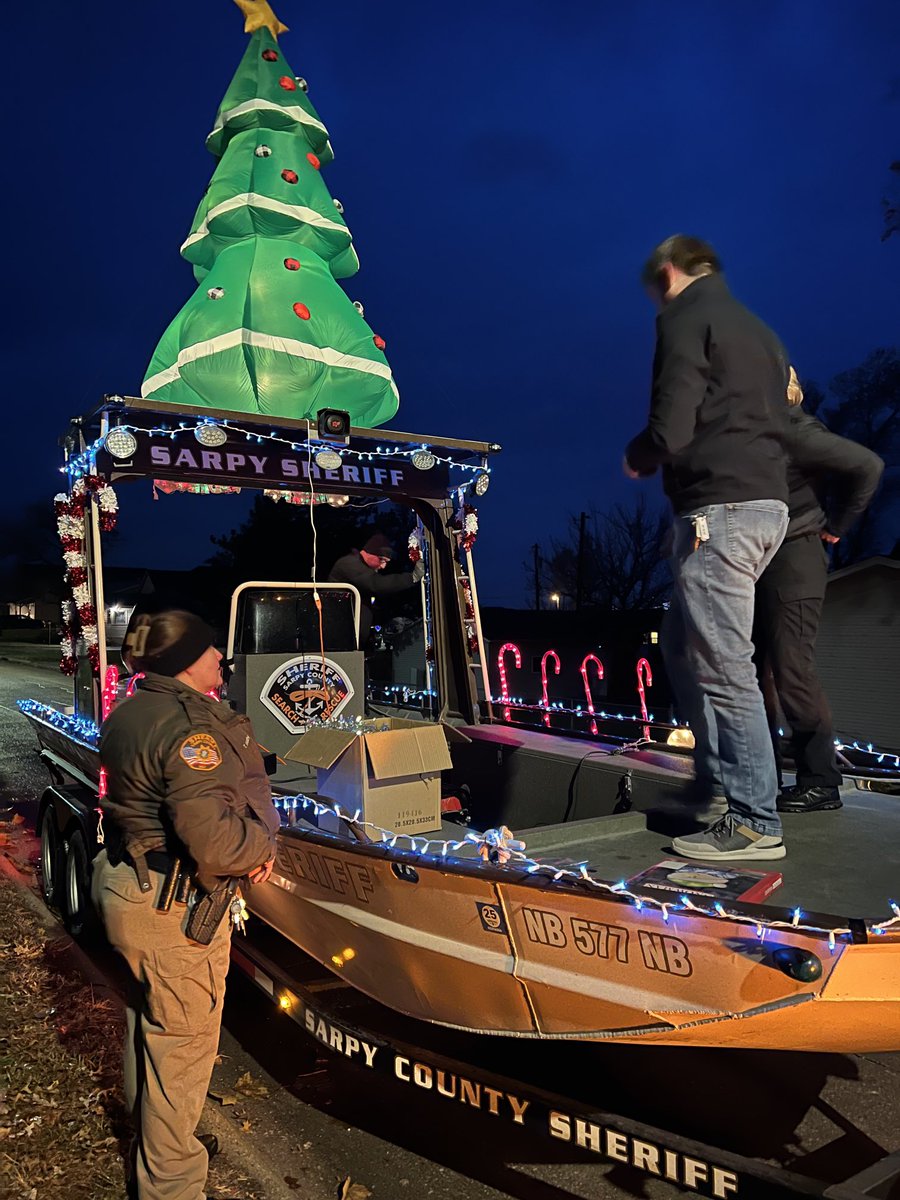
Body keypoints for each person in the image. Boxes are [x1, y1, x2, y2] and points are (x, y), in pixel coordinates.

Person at [91, 610, 280, 1200]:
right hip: (174, 907)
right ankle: (171, 1186)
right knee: (182, 1048)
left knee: (148, 1023)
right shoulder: (190, 730)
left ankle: (155, 1145)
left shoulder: (131, 709)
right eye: (209, 650)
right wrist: (261, 847)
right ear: (185, 662)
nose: (221, 657)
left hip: (130, 884)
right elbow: (216, 840)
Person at [625, 234, 791, 861]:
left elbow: (672, 422)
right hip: (764, 504)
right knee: (680, 643)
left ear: (667, 272)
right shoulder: (760, 331)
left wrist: (640, 456)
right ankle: (720, 789)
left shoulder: (686, 318)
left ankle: (753, 821)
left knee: (724, 664)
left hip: (719, 511)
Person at [755, 370, 884, 813]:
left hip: (796, 560)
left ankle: (821, 781)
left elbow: (869, 466)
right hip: (759, 561)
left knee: (792, 668)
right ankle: (762, 774)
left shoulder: (796, 428)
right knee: (756, 674)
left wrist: (837, 526)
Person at [328, 531, 425, 648]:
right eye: (382, 560)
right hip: (339, 636)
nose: (383, 566)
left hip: (350, 638)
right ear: (369, 554)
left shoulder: (358, 567)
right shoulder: (349, 564)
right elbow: (376, 584)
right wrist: (412, 577)